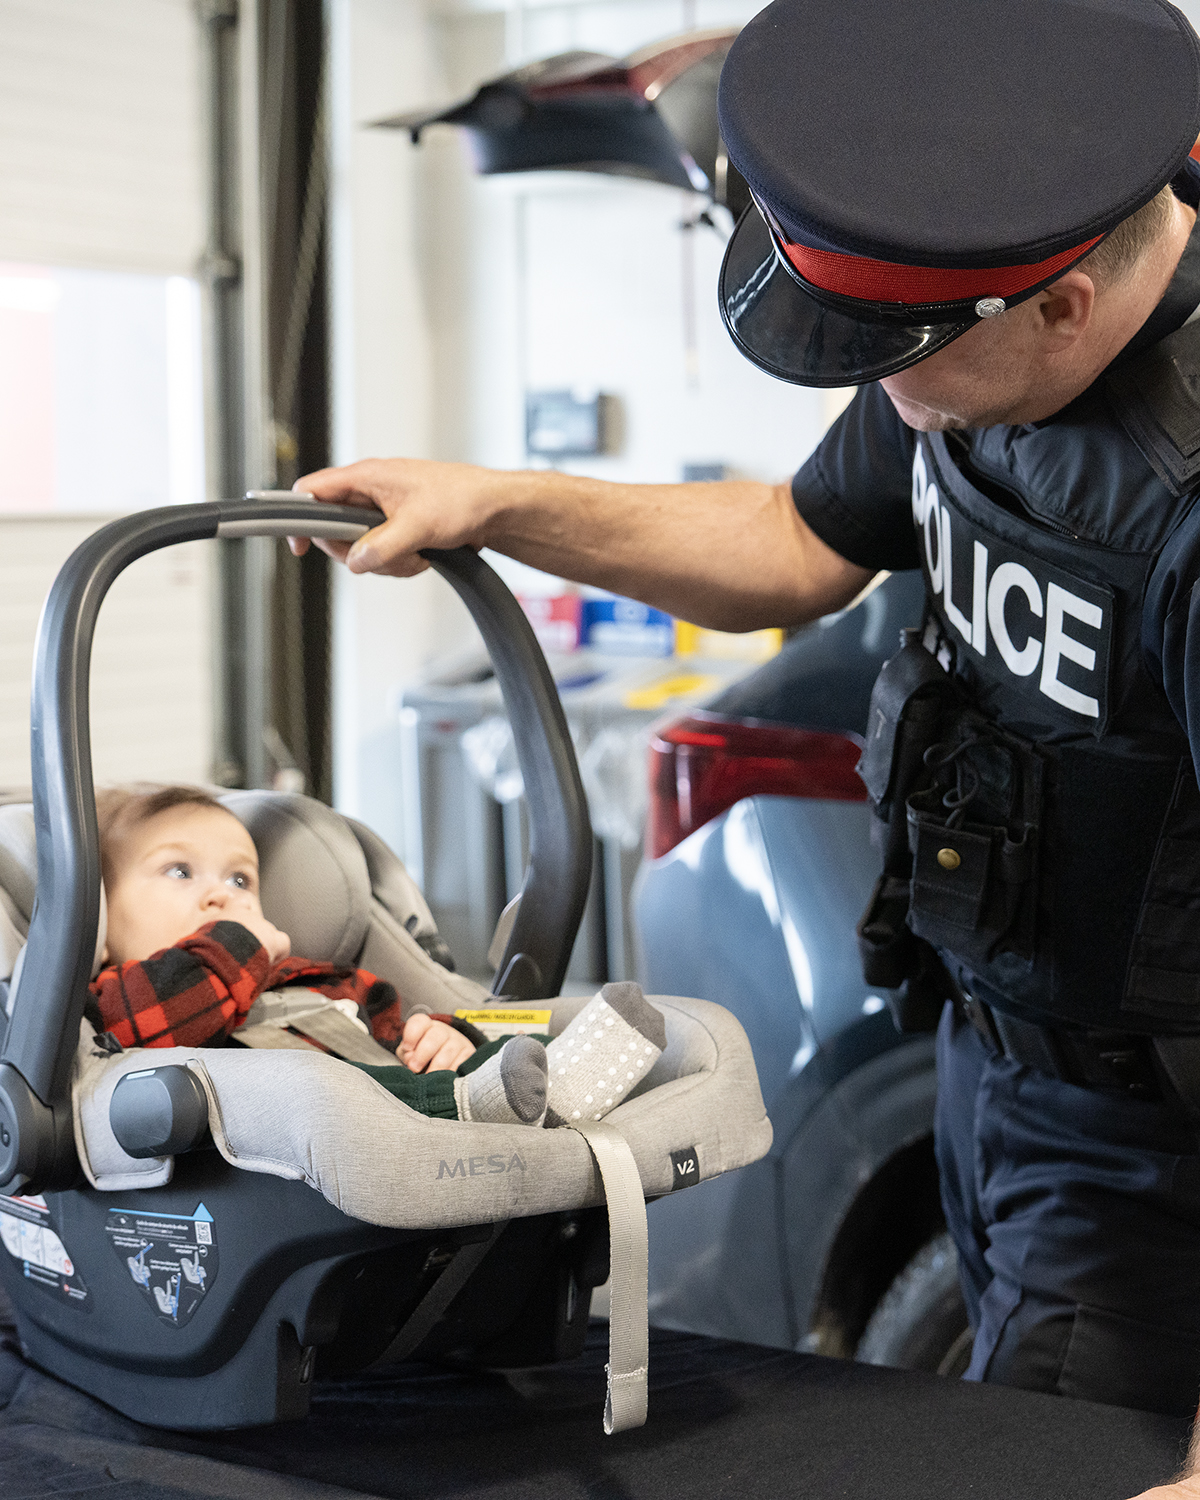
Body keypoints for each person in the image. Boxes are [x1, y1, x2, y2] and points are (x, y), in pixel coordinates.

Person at [289, 0, 1200, 1489]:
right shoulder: (993, 293)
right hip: (1004, 1073)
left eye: (898, 359)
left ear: (1066, 313)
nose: (880, 393)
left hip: (1153, 1168)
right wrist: (501, 505)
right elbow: (793, 540)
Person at [90, 785, 666, 1131]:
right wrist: (242, 943)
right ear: (100, 919)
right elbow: (163, 1022)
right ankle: (520, 1100)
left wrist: (442, 1036)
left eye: (241, 877)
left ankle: (552, 1077)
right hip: (309, 1134)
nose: (223, 894)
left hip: (401, 1103)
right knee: (376, 1096)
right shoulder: (121, 998)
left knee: (464, 1059)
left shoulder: (313, 980)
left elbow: (390, 1029)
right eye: (178, 871)